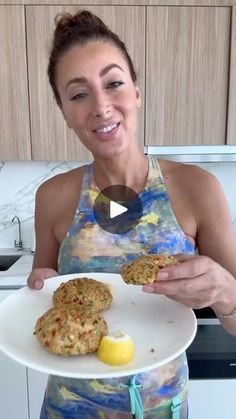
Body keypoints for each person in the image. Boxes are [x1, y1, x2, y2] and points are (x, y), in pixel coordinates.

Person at [27, 9, 236, 419]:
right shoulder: (52, 196)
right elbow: (44, 302)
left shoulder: (198, 189)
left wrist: (226, 294)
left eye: (114, 83)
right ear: (64, 112)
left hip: (161, 410)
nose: (102, 106)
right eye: (79, 93)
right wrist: (39, 286)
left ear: (136, 92)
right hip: (68, 409)